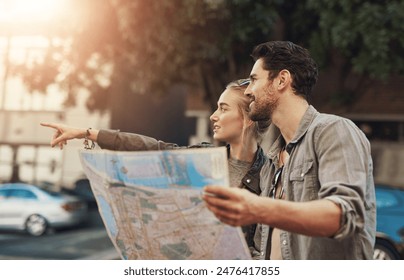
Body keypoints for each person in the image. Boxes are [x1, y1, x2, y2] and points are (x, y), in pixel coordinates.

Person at [41, 79, 270, 258]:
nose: (213, 116)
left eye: (223, 109)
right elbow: (151, 147)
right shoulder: (203, 160)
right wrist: (86, 133)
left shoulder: (270, 176)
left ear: (248, 119)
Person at [203, 41, 376, 260]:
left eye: (255, 80)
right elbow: (262, 250)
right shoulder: (272, 163)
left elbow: (343, 216)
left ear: (282, 80)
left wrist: (257, 208)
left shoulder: (333, 131)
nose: (248, 90)